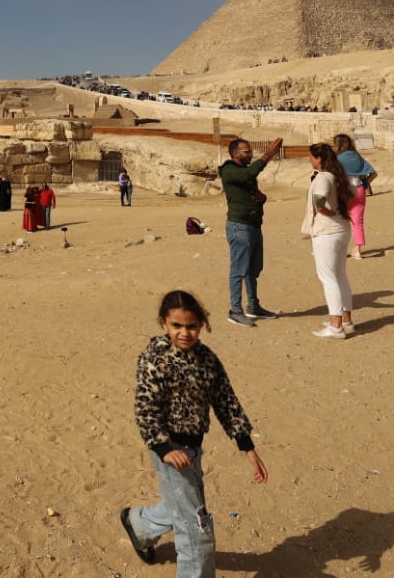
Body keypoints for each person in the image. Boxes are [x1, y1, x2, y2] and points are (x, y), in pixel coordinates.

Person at [121, 289, 267, 572]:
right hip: (169, 452)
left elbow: (226, 400)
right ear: (164, 323)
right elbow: (145, 409)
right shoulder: (156, 359)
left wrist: (247, 446)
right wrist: (165, 449)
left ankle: (138, 525)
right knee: (196, 530)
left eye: (192, 326)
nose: (184, 333)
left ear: (202, 325)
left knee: (183, 506)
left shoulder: (207, 359)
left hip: (193, 449)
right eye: (177, 325)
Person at [218, 137, 284, 329]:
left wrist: (262, 198)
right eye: (246, 152)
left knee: (252, 270)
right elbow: (248, 175)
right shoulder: (229, 170)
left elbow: (251, 189)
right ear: (235, 154)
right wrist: (269, 154)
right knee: (239, 269)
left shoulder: (244, 172)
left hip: (253, 226)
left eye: (250, 151)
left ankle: (253, 306)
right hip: (239, 227)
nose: (250, 154)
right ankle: (235, 310)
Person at [304, 143, 355, 338]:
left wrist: (325, 210)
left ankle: (335, 326)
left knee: (328, 278)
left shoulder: (324, 177)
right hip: (341, 228)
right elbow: (354, 193)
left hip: (327, 231)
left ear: (318, 159)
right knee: (340, 275)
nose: (309, 160)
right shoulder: (339, 177)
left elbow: (318, 200)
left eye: (311, 156)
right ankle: (346, 320)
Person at [331, 134, 376, 260]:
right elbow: (373, 173)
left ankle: (339, 250)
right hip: (360, 190)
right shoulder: (357, 157)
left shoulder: (337, 158)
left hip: (344, 191)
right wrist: (366, 183)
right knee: (358, 222)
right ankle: (357, 250)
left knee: (339, 220)